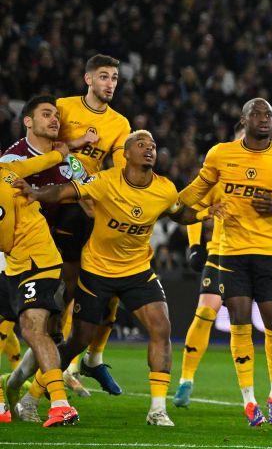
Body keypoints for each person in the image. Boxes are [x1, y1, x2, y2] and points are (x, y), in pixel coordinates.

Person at [18, 130, 214, 426]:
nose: (149, 149)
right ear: (126, 153)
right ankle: (30, 399)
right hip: (97, 272)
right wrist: (35, 193)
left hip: (137, 271)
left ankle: (157, 409)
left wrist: (204, 214)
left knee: (161, 327)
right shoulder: (105, 181)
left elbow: (178, 213)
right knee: (77, 340)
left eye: (153, 145)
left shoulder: (164, 188)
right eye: (141, 144)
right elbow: (65, 191)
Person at [176, 98, 272, 427]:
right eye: (258, 114)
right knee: (237, 321)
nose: (265, 119)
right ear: (243, 120)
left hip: (269, 252)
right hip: (228, 253)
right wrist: (168, 201)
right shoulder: (220, 155)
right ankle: (247, 398)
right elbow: (196, 193)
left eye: (269, 114)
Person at [0, 95, 95, 402]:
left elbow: (92, 197)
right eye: (46, 114)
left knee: (44, 328)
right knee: (19, 325)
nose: (54, 119)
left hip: (54, 253)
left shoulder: (71, 162)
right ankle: (18, 389)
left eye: (56, 115)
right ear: (28, 121)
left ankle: (29, 396)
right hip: (13, 251)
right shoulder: (12, 161)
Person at [54, 54, 133, 396]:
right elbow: (43, 147)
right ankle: (50, 367)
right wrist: (76, 145)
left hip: (88, 211)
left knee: (108, 287)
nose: (110, 83)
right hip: (52, 206)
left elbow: (118, 170)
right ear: (87, 79)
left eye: (114, 78)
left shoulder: (120, 124)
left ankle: (88, 359)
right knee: (53, 291)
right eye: (104, 76)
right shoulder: (62, 107)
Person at [0, 139, 78, 426]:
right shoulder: (10, 168)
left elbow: (4, 239)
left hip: (36, 261)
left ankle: (60, 404)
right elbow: (41, 162)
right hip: (18, 264)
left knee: (33, 329)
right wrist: (62, 152)